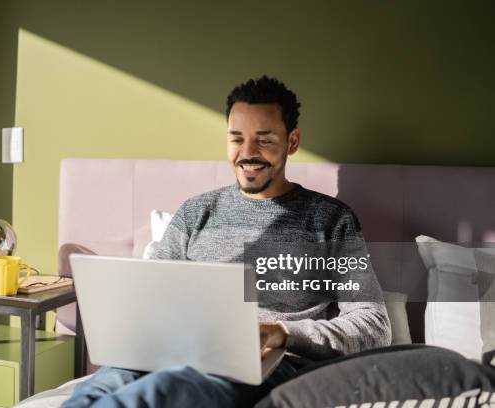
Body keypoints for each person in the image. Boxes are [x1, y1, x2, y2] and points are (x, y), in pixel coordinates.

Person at [62, 76, 392, 408]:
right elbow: (150, 300)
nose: (247, 153)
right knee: (103, 384)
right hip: (178, 349)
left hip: (269, 364)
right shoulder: (195, 213)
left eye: (263, 140)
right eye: (237, 139)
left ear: (292, 141)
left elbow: (373, 325)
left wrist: (282, 332)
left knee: (165, 390)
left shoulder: (332, 219)